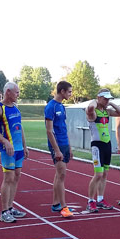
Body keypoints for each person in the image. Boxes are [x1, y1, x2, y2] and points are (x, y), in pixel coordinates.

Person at [0, 82, 29, 223]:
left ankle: (11, 207)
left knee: (16, 177)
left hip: (18, 149)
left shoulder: (16, 108)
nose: (18, 95)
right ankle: (4, 211)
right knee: (8, 178)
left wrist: (24, 146)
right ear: (8, 92)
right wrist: (5, 142)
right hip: (7, 150)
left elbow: (20, 127)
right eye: (16, 92)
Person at [86, 89, 120, 212]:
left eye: (109, 98)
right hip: (97, 145)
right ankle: (90, 201)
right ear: (99, 98)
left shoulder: (107, 111)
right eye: (105, 98)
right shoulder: (93, 112)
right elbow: (89, 108)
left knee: (105, 174)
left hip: (107, 144)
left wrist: (112, 103)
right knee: (98, 174)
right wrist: (95, 100)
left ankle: (100, 199)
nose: (107, 100)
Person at [45, 81, 74, 218]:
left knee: (59, 175)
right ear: (62, 91)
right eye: (69, 92)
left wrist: (69, 146)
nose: (70, 94)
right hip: (56, 145)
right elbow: (49, 131)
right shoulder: (50, 107)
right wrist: (57, 150)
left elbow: (63, 127)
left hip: (64, 143)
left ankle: (55, 203)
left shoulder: (62, 107)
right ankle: (64, 207)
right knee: (62, 175)